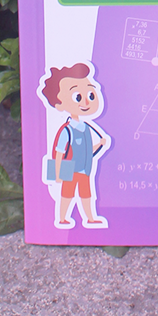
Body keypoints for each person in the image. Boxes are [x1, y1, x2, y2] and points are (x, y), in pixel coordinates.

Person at [40, 62, 109, 229]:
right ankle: (62, 218)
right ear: (60, 104)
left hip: (85, 169)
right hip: (70, 169)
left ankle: (90, 218)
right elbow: (59, 152)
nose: (86, 101)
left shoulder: (86, 128)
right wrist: (58, 172)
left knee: (87, 194)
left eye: (91, 95)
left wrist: (99, 144)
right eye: (77, 97)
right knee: (67, 194)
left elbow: (87, 152)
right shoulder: (67, 130)